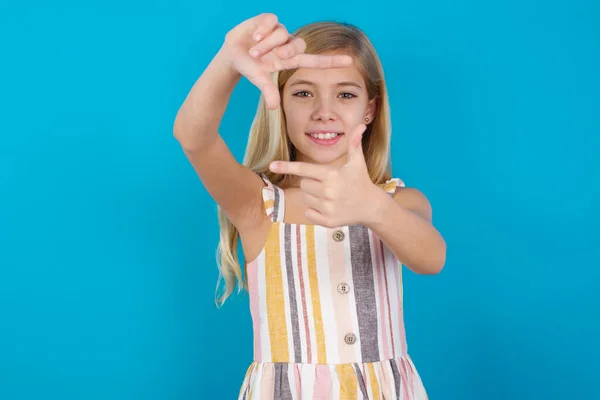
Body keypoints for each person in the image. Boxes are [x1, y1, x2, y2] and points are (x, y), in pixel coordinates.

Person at [173, 12, 446, 399]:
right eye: (303, 92)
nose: (324, 110)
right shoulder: (258, 205)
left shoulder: (399, 202)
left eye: (346, 94)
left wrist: (374, 208)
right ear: (279, 102)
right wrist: (227, 61)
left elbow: (432, 258)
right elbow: (193, 137)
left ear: (370, 109)